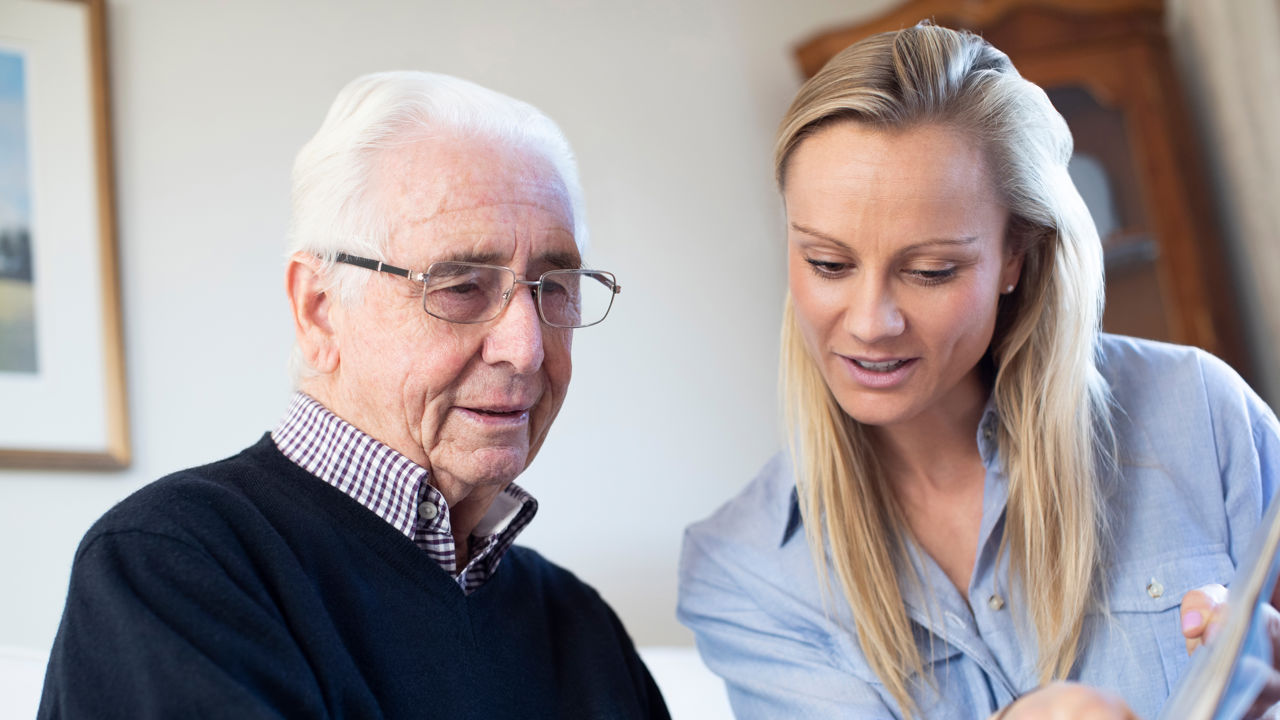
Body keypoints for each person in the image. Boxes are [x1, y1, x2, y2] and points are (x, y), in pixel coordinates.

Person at [677, 23, 1280, 720]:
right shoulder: (743, 574)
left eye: (931, 270)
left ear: (1015, 256)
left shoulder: (1202, 417)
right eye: (828, 264)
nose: (872, 321)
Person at [39, 71, 669, 720]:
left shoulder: (580, 625)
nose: (526, 347)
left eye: (555, 285)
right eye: (459, 286)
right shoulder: (173, 562)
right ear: (318, 310)